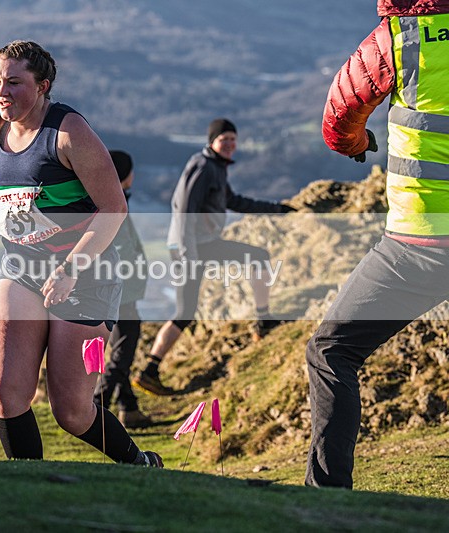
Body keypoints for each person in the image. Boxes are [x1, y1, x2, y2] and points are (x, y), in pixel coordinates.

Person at [0, 40, 162, 467]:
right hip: (22, 269)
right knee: (7, 394)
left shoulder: (68, 133)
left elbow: (114, 207)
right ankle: (30, 485)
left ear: (43, 85)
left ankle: (139, 463)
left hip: (86, 274)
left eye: (14, 82)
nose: (2, 92)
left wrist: (70, 267)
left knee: (72, 412)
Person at [306, 0, 449, 489]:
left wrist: (358, 144)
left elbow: (338, 119)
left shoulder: (400, 38)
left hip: (420, 244)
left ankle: (326, 497)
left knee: (332, 352)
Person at [133, 118, 295, 396]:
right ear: (212, 142)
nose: (230, 144)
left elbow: (233, 201)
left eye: (233, 138)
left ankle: (150, 370)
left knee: (254, 260)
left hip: (203, 244)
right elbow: (184, 210)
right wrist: (187, 255)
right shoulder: (203, 166)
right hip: (191, 248)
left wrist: (277, 209)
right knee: (186, 310)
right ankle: (149, 370)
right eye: (224, 139)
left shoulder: (216, 168)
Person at [93, 150, 153, 428]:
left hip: (117, 285)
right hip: (119, 286)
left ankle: (128, 408)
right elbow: (119, 247)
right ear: (123, 175)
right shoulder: (112, 204)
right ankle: (97, 402)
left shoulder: (108, 199)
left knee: (119, 345)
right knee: (125, 345)